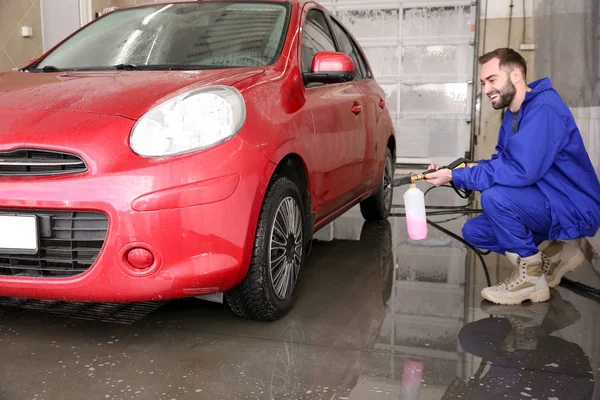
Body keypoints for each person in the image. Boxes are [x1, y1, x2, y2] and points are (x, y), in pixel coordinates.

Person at [425, 48, 600, 305]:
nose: (485, 89)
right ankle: (558, 252)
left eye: (492, 80)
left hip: (572, 206)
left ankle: (531, 281)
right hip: (547, 199)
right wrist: (455, 171)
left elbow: (520, 170)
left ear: (516, 74)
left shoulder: (545, 109)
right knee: (475, 231)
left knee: (496, 197)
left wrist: (458, 177)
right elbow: (504, 161)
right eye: (484, 82)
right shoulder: (513, 113)